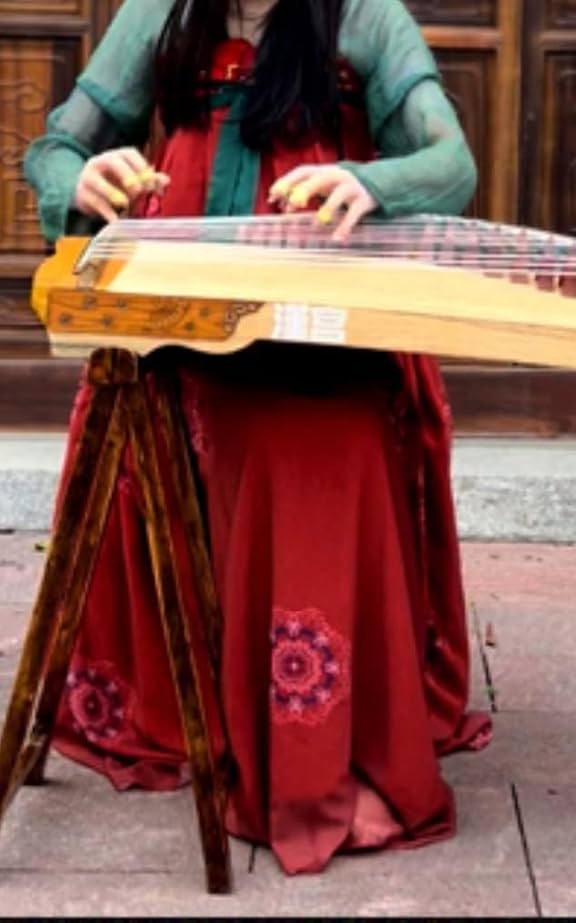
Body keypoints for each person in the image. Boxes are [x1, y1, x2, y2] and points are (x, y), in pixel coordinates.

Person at [23, 0, 492, 875]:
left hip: (322, 326)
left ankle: (317, 744)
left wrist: (373, 182)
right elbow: (54, 147)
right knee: (235, 443)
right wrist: (78, 181)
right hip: (182, 330)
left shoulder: (364, 16)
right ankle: (230, 715)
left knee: (328, 452)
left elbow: (450, 161)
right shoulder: (162, 12)